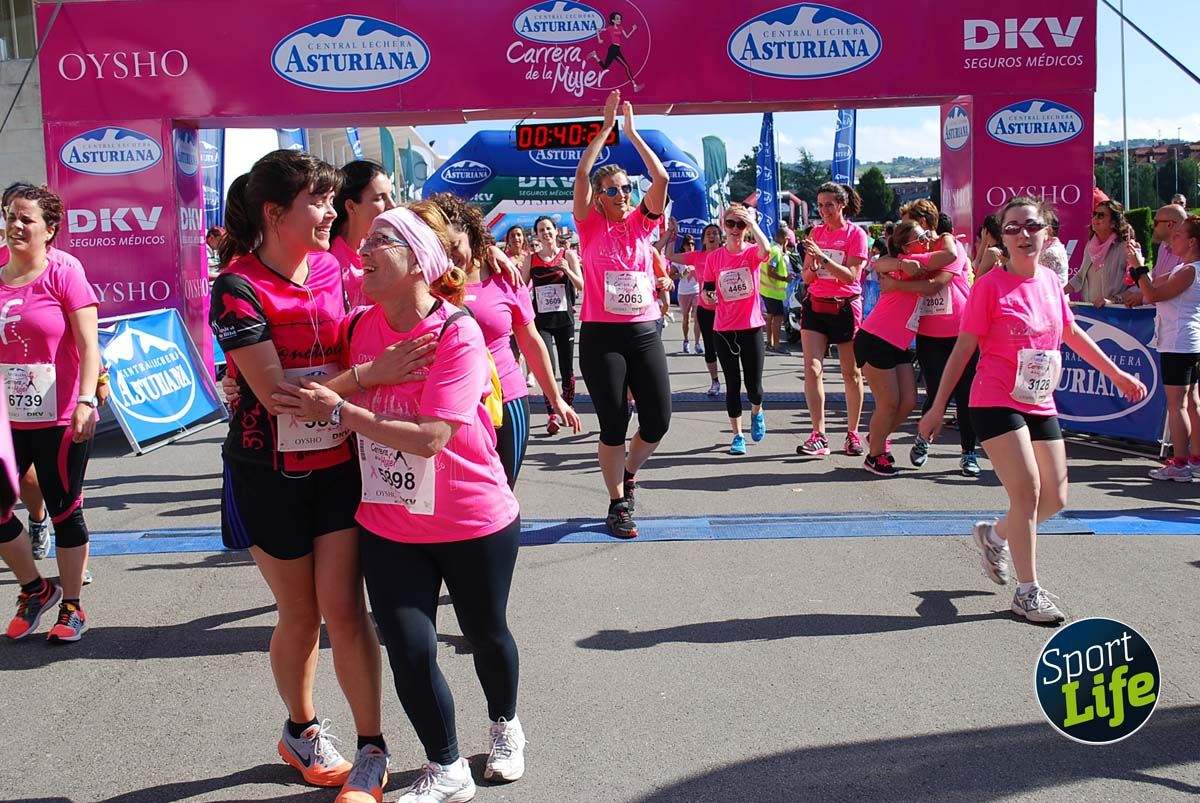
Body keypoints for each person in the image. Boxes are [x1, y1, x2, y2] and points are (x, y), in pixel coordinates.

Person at [274, 204, 528, 803]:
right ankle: (447, 768)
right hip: (389, 521)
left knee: (486, 634)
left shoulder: (456, 331)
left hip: (470, 517)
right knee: (410, 651)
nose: (363, 250)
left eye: (381, 241)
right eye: (365, 240)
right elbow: (313, 391)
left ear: (419, 261)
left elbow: (431, 437)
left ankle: (505, 724)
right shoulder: (358, 327)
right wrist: (364, 375)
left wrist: (346, 410)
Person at [208, 150, 387, 796]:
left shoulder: (335, 269)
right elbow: (277, 394)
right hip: (267, 471)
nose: (330, 212)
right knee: (301, 612)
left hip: (338, 463)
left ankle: (371, 747)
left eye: (331, 200)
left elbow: (358, 337)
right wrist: (368, 376)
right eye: (317, 201)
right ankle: (301, 729)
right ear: (274, 212)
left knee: (346, 608)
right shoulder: (236, 286)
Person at [919, 196, 1147, 624]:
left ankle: (995, 535)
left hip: (1039, 399)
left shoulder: (1049, 282)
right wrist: (936, 406)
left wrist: (1116, 374)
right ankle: (1027, 592)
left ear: (1047, 232)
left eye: (1031, 226)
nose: (1023, 235)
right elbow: (963, 349)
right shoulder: (989, 285)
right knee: (1027, 493)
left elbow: (1071, 332)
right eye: (1012, 228)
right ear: (1002, 238)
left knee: (1055, 498)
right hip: (994, 398)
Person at [419, 193, 580, 486]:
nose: (450, 257)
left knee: (503, 492)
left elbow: (530, 342)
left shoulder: (505, 277)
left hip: (505, 400)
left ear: (470, 235)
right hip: (446, 405)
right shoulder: (427, 283)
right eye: (441, 248)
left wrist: (556, 399)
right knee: (454, 495)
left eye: (454, 246)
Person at [0, 186, 99, 643]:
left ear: (50, 229)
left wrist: (86, 400)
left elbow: (89, 346)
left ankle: (72, 607)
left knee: (64, 510)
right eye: (10, 216)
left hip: (59, 416)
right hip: (7, 419)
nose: (16, 225)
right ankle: (35, 588)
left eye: (27, 219)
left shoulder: (64, 273)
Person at [573, 89, 671, 539]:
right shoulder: (589, 224)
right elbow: (582, 174)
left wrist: (631, 133)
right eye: (612, 190)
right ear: (598, 197)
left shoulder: (641, 224)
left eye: (626, 188)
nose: (622, 194)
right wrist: (605, 129)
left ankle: (629, 472)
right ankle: (617, 504)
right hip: (601, 335)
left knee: (658, 421)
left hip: (643, 330)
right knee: (613, 424)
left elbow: (661, 178)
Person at [880, 201, 982, 477]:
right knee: (936, 392)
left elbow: (935, 284)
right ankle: (924, 439)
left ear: (924, 222)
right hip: (929, 335)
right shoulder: (913, 252)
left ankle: (968, 453)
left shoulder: (952, 247)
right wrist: (900, 263)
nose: (903, 229)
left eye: (908, 223)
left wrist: (898, 282)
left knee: (965, 395)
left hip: (962, 333)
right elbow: (880, 263)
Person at [796, 182, 868, 458]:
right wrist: (813, 268)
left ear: (841, 205)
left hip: (845, 307)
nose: (823, 210)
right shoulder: (816, 232)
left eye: (829, 205)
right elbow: (806, 276)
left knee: (851, 373)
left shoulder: (856, 234)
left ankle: (852, 433)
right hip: (816, 305)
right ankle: (819, 435)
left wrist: (823, 258)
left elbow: (851, 276)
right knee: (812, 369)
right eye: (820, 205)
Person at [853, 220, 930, 476]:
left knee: (908, 401)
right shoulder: (900, 264)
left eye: (926, 235)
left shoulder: (924, 261)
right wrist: (901, 264)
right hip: (875, 338)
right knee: (888, 403)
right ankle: (875, 455)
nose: (926, 241)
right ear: (905, 247)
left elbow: (948, 256)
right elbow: (878, 263)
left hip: (898, 343)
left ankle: (877, 436)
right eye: (920, 238)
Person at [1129, 216, 1200, 481]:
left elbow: (1153, 295)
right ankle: (1194, 459)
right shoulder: (1184, 268)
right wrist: (1138, 268)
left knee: (1178, 404)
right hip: (1184, 342)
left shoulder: (1189, 271)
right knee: (1190, 402)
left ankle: (1180, 464)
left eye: (1179, 235)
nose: (1173, 239)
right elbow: (1153, 286)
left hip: (1179, 343)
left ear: (1192, 242)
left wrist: (1138, 266)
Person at [699, 204, 771, 453]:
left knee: (754, 387)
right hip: (724, 328)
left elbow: (766, 250)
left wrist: (753, 223)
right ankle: (737, 435)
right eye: (730, 224)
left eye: (740, 224)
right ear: (723, 225)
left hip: (751, 327)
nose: (735, 229)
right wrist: (708, 297)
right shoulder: (714, 257)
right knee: (732, 384)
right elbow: (707, 289)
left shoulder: (751, 252)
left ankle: (757, 411)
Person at [524, 215, 583, 434]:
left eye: (548, 229)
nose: (546, 233)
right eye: (541, 230)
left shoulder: (568, 255)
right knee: (547, 367)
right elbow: (521, 288)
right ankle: (552, 414)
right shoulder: (531, 259)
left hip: (564, 320)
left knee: (567, 369)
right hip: (542, 322)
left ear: (556, 231)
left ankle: (568, 407)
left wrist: (567, 269)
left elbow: (581, 285)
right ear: (537, 235)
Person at [330, 160, 397, 309]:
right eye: (380, 198)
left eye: (391, 195)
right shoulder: (328, 261)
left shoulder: (391, 251)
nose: (392, 205)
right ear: (351, 206)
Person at [669, 222, 723, 394]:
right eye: (708, 233)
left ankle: (732, 381)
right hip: (706, 309)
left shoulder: (727, 254)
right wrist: (672, 235)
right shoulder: (696, 256)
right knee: (710, 347)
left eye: (715, 233)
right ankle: (715, 381)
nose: (712, 235)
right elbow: (670, 255)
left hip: (726, 310)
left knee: (726, 348)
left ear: (721, 238)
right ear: (704, 239)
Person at [1067, 199, 1143, 308]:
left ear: (1113, 223)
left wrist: (1114, 300)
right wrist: (1058, 292)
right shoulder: (1090, 246)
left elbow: (1140, 284)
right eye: (1094, 214)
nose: (1095, 218)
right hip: (1091, 311)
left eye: (1101, 215)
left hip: (1116, 312)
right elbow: (1080, 277)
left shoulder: (1126, 247)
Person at [1126, 204, 1187, 307]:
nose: (1152, 226)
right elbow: (1155, 278)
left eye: (1155, 222)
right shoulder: (1163, 246)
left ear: (1170, 224)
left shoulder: (1188, 252)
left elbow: (1168, 290)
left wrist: (1139, 267)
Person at [665, 228, 701, 353]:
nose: (691, 246)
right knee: (686, 318)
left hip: (696, 291)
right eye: (688, 244)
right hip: (684, 292)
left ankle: (697, 344)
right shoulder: (679, 260)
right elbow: (670, 276)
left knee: (697, 318)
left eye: (692, 244)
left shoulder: (697, 257)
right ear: (684, 245)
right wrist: (681, 274)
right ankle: (686, 341)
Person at [588, 11, 642, 91]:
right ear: (613, 20)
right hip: (613, 49)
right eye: (617, 19)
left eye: (620, 19)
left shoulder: (621, 28)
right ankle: (635, 86)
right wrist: (599, 39)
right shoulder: (610, 28)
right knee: (626, 67)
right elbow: (598, 30)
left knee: (605, 67)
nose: (619, 20)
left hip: (616, 49)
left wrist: (633, 30)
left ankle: (595, 55)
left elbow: (627, 36)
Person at [760, 226, 792, 355]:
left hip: (766, 290)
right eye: (788, 239)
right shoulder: (776, 252)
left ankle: (770, 343)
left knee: (770, 317)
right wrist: (785, 278)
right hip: (773, 292)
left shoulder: (772, 249)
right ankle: (776, 345)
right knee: (778, 318)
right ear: (784, 238)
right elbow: (770, 271)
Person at [1038, 211, 1070, 288]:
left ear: (1048, 230)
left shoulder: (1049, 253)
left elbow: (1041, 286)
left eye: (1036, 227)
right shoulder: (1054, 246)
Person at [972, 214, 1006, 280]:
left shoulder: (992, 252)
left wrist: (983, 242)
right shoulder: (1004, 250)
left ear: (985, 230)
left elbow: (977, 279)